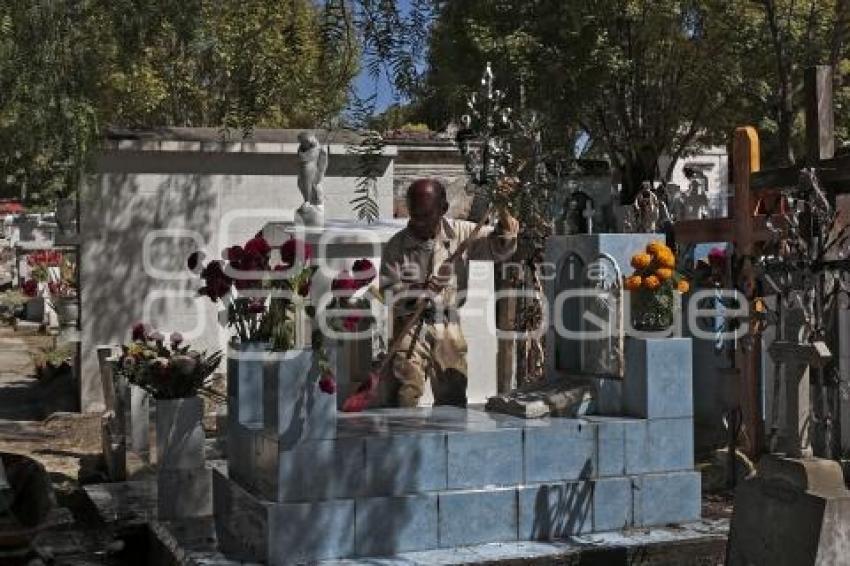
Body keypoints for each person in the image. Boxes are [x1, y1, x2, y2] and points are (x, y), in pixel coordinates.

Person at [380, 179, 519, 407]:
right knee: (406, 390)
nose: (419, 222)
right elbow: (387, 291)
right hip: (409, 323)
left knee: (453, 389)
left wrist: (503, 208)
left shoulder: (462, 233)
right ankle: (404, 437)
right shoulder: (397, 246)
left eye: (426, 215)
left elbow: (500, 245)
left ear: (442, 210)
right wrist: (417, 292)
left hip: (448, 323)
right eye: (414, 215)